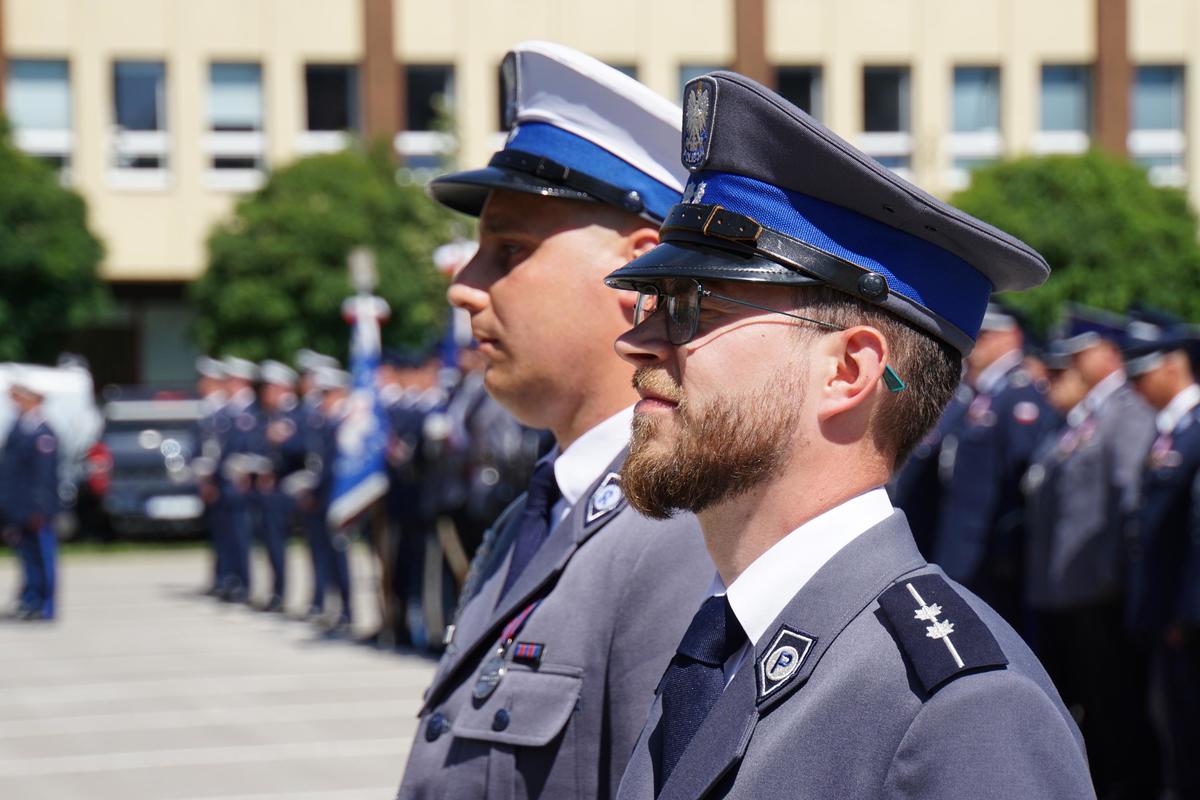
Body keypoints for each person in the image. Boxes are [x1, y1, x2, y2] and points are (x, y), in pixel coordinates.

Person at [604, 70, 1094, 799]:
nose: (636, 343)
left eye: (690, 307)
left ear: (848, 371)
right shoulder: (723, 641)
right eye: (650, 301)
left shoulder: (960, 713)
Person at [398, 41, 712, 800]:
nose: (464, 290)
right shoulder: (532, 518)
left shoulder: (678, 537)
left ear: (636, 275)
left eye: (508, 251)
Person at [1022, 309, 1156, 800]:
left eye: (1081, 352)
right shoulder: (1085, 414)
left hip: (1101, 588)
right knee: (1085, 706)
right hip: (1068, 587)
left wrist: (1122, 582)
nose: (1072, 364)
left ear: (1109, 352)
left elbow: (1129, 502)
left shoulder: (1126, 410)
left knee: (1111, 711)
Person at [929, 303, 1055, 628]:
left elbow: (1019, 479)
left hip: (989, 552)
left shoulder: (1019, 394)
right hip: (962, 545)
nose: (975, 342)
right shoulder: (983, 392)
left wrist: (1005, 552)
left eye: (984, 335)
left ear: (1011, 336)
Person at [1123, 316, 1200, 799]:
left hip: (1185, 619)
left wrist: (1185, 615)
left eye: (1144, 371)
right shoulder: (1172, 430)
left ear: (1173, 367)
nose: (1135, 383)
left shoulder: (1193, 430)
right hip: (1165, 611)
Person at [0, 377, 59, 621]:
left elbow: (44, 478)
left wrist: (40, 510)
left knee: (43, 557)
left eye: (20, 398)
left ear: (33, 399)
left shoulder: (43, 432)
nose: (16, 403)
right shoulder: (19, 428)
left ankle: (45, 604)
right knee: (26, 557)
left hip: (36, 510)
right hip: (17, 508)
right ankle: (29, 599)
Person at [256, 360, 307, 612]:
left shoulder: (298, 415)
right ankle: (278, 592)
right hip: (273, 491)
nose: (266, 394)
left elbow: (305, 450)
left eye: (270, 388)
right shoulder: (272, 416)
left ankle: (312, 598)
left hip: (294, 489)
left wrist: (284, 441)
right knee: (272, 544)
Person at [192, 356, 230, 596]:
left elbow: (224, 451)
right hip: (210, 481)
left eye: (205, 380)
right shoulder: (206, 411)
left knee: (229, 536)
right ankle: (220, 577)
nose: (200, 384)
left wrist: (212, 476)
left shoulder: (224, 412)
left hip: (224, 482)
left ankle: (229, 578)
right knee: (217, 534)